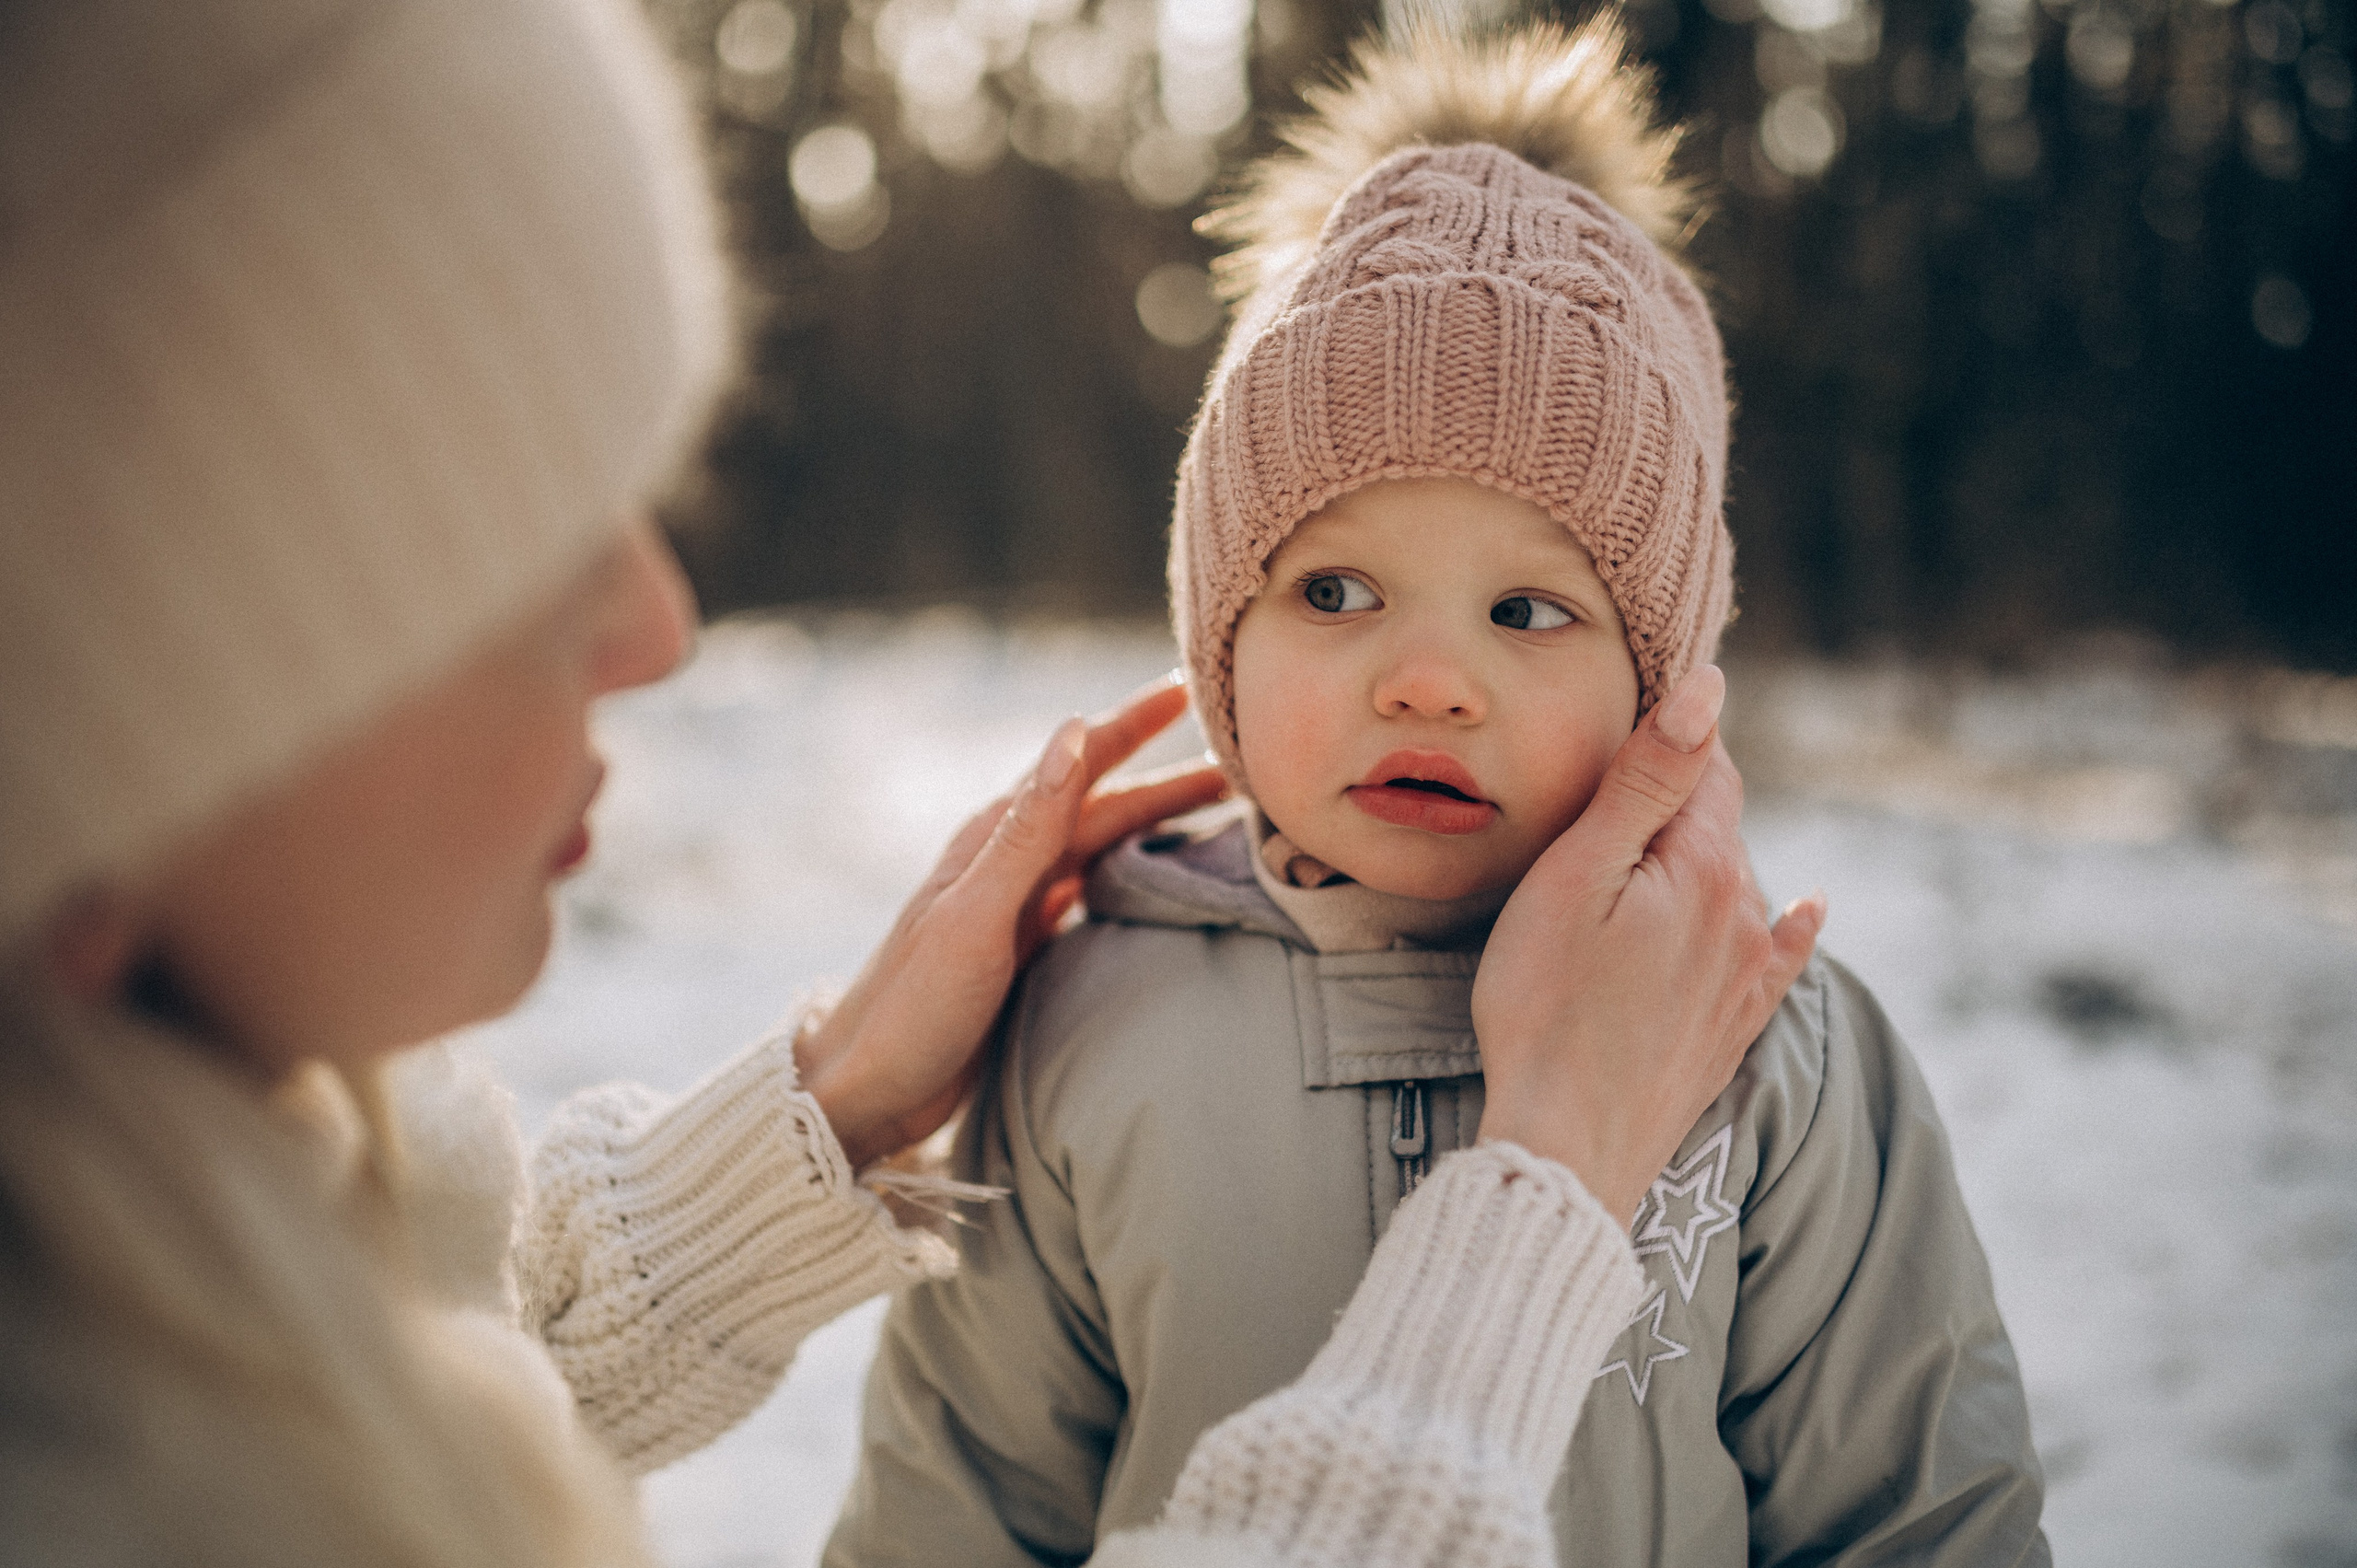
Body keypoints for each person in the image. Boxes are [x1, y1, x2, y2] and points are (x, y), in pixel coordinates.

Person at [0, 1, 1817, 1565]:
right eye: (511, 545)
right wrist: (1543, 1203)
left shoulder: (185, 1286)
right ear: (101, 727)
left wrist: (831, 1106)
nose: (657, 623)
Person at [829, 18, 2050, 1568]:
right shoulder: (1083, 1028)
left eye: (1529, 614)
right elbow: (958, 1513)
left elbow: (1921, 1518)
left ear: (1661, 683)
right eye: (1334, 590)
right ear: (1219, 635)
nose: (1425, 679)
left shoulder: (1766, 1043)